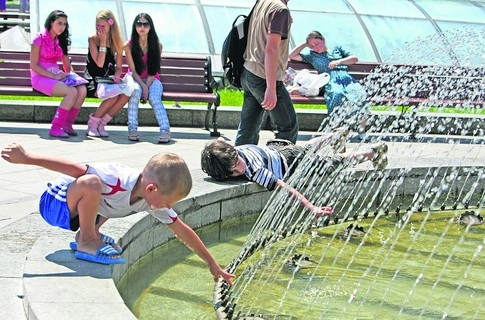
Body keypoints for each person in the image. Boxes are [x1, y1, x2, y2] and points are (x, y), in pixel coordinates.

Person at [0, 142, 235, 285]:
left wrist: (212, 264)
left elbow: (181, 230)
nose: (167, 207)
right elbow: (72, 169)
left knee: (118, 202)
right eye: (167, 202)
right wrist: (26, 158)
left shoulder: (149, 200)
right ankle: (87, 240)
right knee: (93, 184)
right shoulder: (117, 178)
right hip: (55, 202)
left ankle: (88, 234)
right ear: (152, 189)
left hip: (75, 211)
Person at [201, 127, 389, 218]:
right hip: (279, 148)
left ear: (234, 152)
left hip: (291, 162)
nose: (239, 169)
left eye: (237, 163)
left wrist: (311, 207)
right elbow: (218, 143)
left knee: (334, 163)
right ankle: (334, 136)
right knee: (305, 148)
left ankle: (372, 153)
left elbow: (284, 187)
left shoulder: (254, 170)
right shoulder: (234, 149)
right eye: (233, 172)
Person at [235, 0, 298, 146]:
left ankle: (238, 165)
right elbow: (271, 49)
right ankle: (279, 166)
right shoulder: (280, 10)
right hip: (264, 77)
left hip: (249, 71)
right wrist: (271, 87)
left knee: (248, 128)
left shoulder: (263, 2)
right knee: (287, 126)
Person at [289, 30, 369, 141]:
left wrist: (339, 62)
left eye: (317, 43)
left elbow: (354, 58)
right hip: (330, 81)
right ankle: (335, 130)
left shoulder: (337, 49)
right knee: (337, 94)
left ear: (323, 39)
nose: (315, 47)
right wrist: (304, 43)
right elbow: (291, 55)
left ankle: (361, 130)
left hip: (346, 79)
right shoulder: (311, 55)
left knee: (361, 94)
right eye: (311, 46)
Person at [30, 10, 87, 138]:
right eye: (59, 23)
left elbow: (67, 66)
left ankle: (67, 124)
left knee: (82, 89)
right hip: (40, 78)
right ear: (51, 22)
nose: (62, 27)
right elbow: (33, 65)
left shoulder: (60, 40)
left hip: (57, 76)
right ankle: (55, 127)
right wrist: (54, 76)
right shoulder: (38, 39)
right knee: (71, 92)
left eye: (64, 24)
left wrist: (73, 77)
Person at [124, 13, 171, 144]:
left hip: (152, 79)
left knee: (155, 98)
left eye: (145, 24)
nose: (142, 27)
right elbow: (132, 70)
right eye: (139, 24)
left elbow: (153, 69)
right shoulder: (128, 45)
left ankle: (165, 130)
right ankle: (132, 129)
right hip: (135, 79)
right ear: (135, 27)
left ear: (150, 27)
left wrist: (147, 85)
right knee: (135, 93)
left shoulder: (157, 45)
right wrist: (143, 86)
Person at [85, 9, 130, 138]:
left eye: (103, 26)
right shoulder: (93, 39)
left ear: (111, 25)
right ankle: (92, 124)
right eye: (98, 26)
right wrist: (103, 41)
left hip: (109, 79)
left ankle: (102, 123)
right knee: (113, 96)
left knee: (124, 96)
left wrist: (117, 75)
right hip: (95, 78)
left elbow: (119, 67)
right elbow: (99, 64)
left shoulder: (117, 42)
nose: (100, 29)